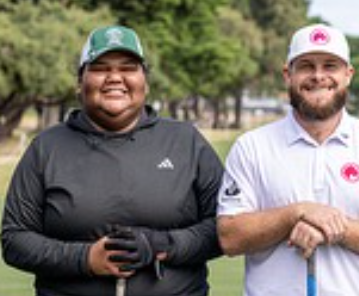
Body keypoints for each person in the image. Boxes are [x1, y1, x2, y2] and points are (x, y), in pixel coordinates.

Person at [1, 25, 223, 296]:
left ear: (146, 82)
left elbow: (226, 227)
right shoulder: (46, 148)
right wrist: (85, 259)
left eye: (129, 68)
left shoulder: (186, 142)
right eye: (100, 68)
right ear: (79, 83)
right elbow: (15, 240)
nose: (114, 77)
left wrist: (161, 245)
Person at [217, 23, 359, 296]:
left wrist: (332, 228)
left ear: (348, 75)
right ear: (288, 75)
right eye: (306, 66)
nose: (318, 75)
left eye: (330, 66)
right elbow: (230, 236)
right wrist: (295, 213)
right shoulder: (252, 146)